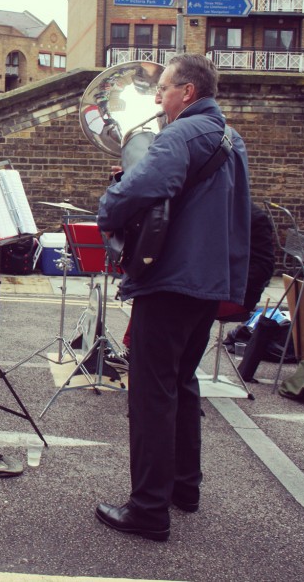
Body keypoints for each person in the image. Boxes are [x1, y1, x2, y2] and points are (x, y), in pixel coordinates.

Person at [95, 54, 250, 542]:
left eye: (162, 89)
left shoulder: (182, 134)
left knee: (151, 394)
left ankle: (147, 510)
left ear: (186, 92)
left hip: (172, 280)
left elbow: (136, 190)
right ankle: (185, 488)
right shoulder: (231, 138)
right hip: (207, 281)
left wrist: (111, 197)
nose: (157, 99)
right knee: (182, 384)